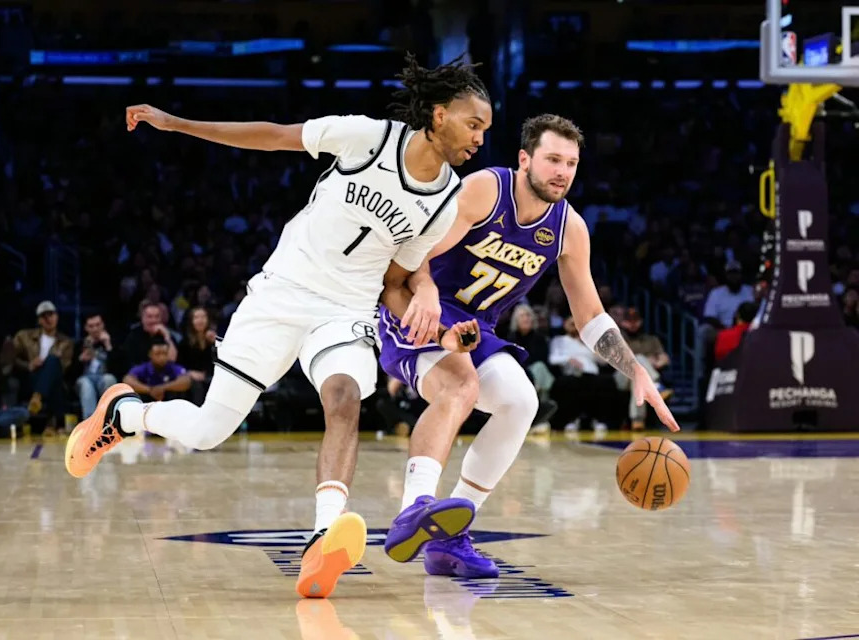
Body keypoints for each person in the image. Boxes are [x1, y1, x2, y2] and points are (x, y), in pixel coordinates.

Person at [64, 53, 492, 599]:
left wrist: (431, 313)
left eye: (485, 129)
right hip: (282, 293)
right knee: (207, 430)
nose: (479, 138)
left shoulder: (445, 202)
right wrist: (176, 123)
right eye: (472, 123)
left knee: (344, 398)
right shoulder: (366, 138)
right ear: (436, 115)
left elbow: (394, 280)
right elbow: (272, 136)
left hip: (346, 310)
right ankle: (126, 414)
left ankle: (322, 536)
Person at [377, 114, 680, 578]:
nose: (562, 171)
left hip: (475, 327)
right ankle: (413, 506)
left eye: (571, 163)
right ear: (525, 160)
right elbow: (414, 253)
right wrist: (426, 292)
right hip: (419, 310)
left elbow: (590, 316)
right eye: (553, 159)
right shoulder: (485, 190)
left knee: (522, 401)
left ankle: (449, 539)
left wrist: (635, 369)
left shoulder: (568, 228)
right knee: (460, 387)